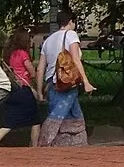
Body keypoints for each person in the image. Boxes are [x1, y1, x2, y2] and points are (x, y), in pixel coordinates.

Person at [39, 9, 95, 146]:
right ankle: (44, 144)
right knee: (57, 117)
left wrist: (40, 91)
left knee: (74, 115)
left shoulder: (48, 41)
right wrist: (86, 82)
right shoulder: (71, 34)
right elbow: (75, 59)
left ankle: (79, 144)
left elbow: (40, 68)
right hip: (67, 83)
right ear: (71, 22)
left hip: (52, 84)